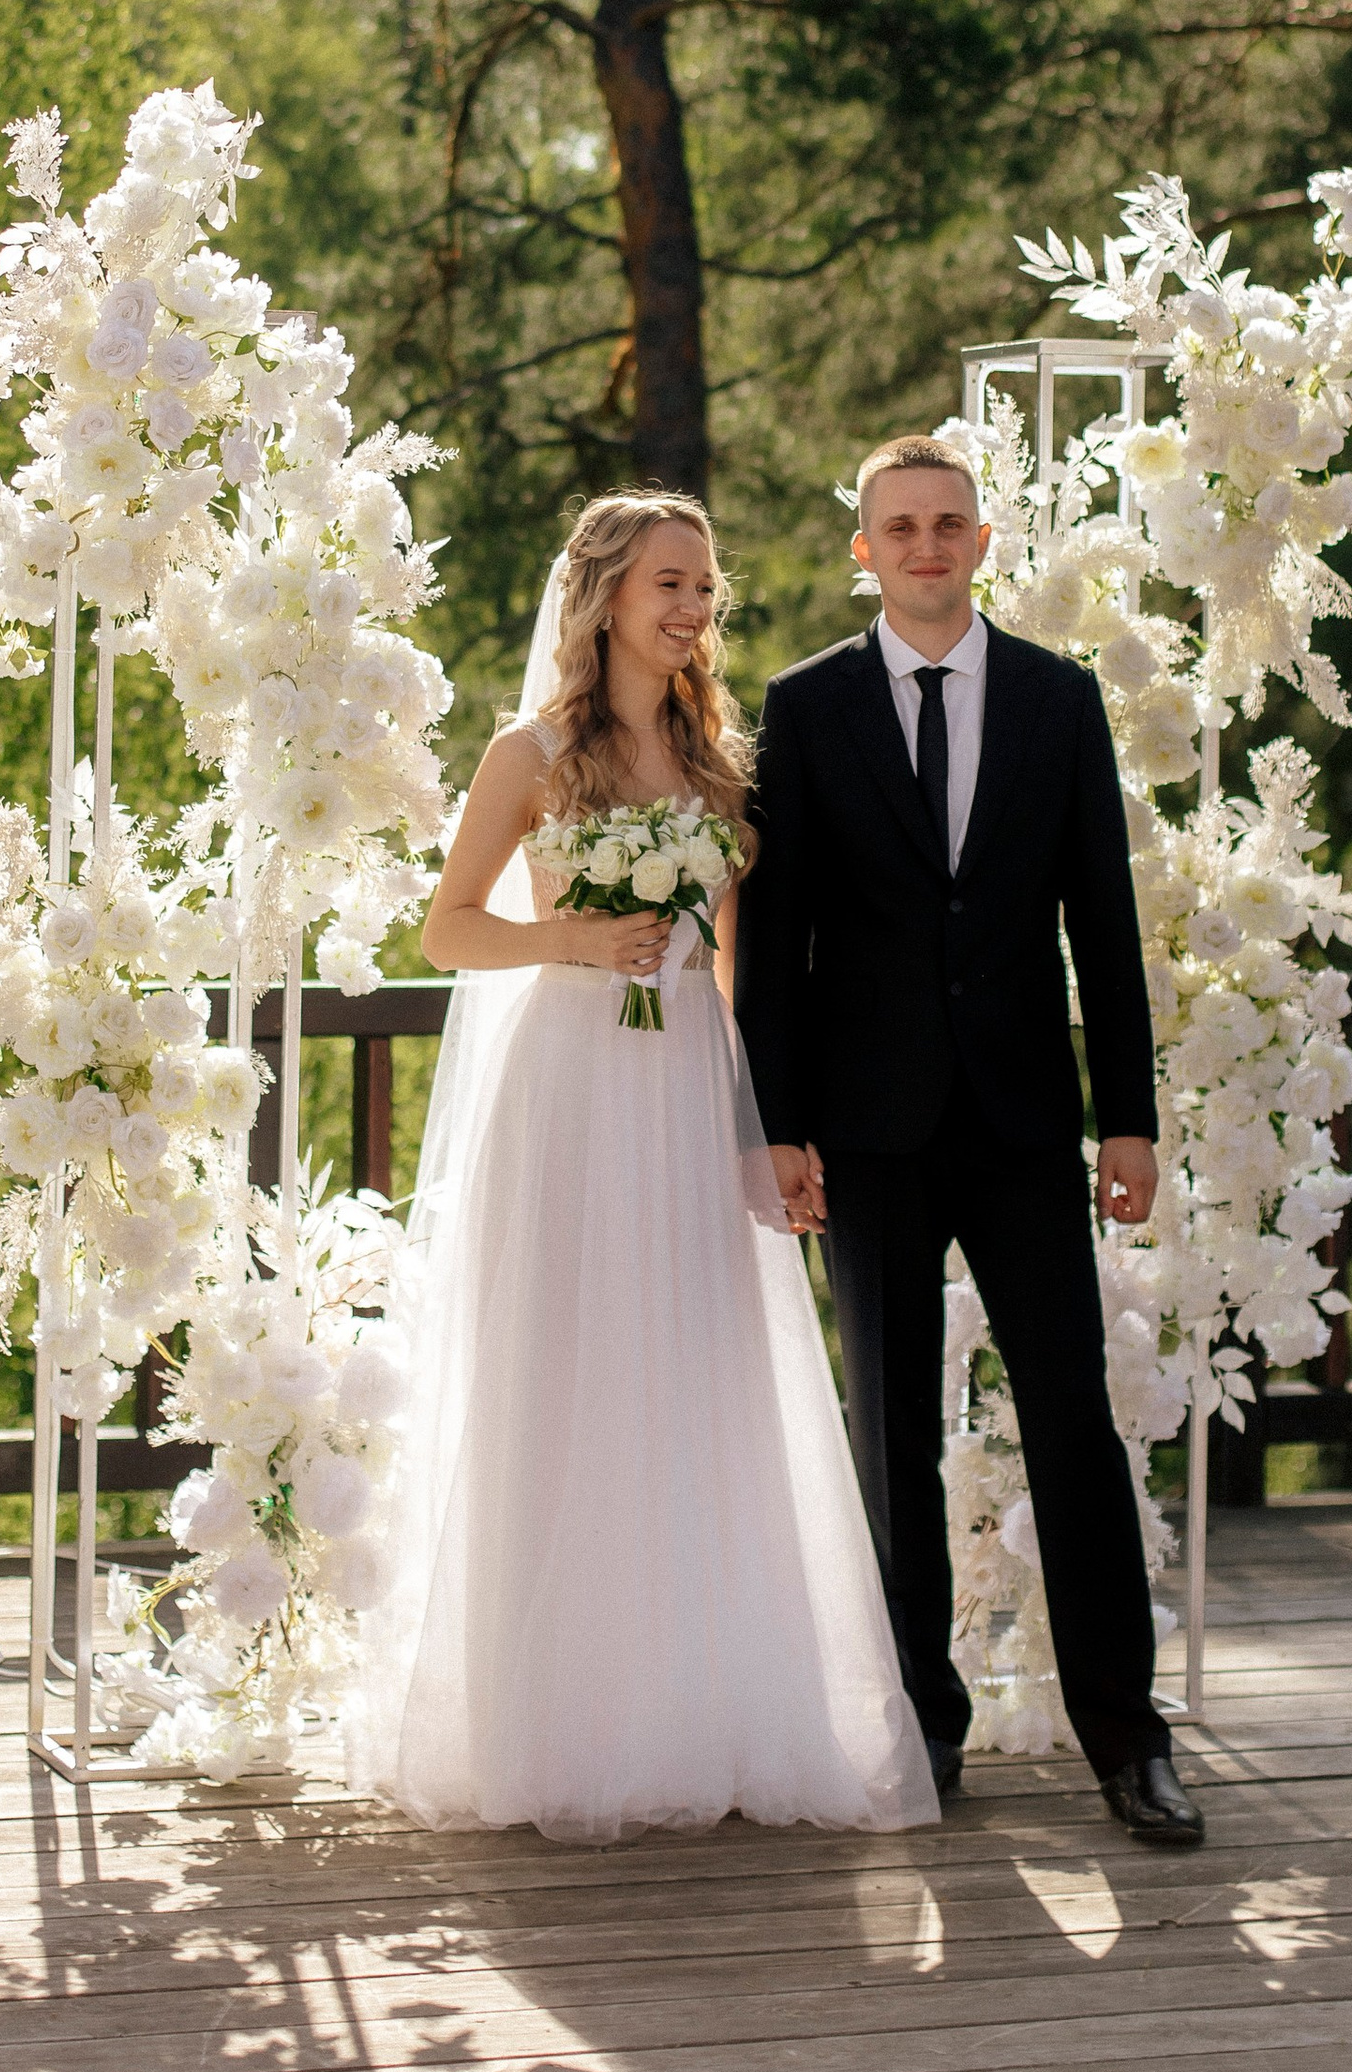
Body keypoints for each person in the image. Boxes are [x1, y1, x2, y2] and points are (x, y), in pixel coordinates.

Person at [347, 492, 935, 1845]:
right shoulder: (532, 750)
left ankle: (702, 1707)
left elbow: (734, 969)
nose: (693, 608)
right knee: (566, 1373)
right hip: (565, 1087)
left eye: (708, 589)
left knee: (694, 1370)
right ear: (608, 593)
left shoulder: (716, 758)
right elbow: (444, 931)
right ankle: (551, 1720)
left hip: (680, 1088)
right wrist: (568, 940)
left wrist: (759, 1130)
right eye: (673, 582)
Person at [735, 434, 1203, 1846]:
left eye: (948, 524)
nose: (926, 546)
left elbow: (1100, 927)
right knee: (892, 1447)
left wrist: (1128, 1113)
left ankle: (1127, 1737)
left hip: (1018, 1124)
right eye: (900, 527)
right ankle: (921, 1733)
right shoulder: (803, 710)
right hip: (866, 1134)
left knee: (1074, 1425)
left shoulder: (1060, 703)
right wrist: (778, 1126)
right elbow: (778, 945)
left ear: (982, 543)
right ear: (863, 550)